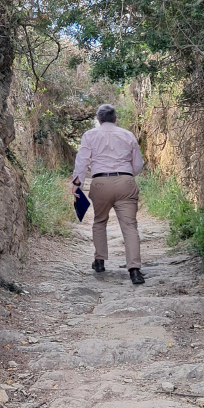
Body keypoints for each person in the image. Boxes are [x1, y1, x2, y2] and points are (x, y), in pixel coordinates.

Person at [71, 104, 146, 285]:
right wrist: (126, 175)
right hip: (125, 182)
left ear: (98, 119)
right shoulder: (128, 135)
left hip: (100, 182)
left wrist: (76, 184)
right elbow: (137, 164)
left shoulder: (90, 135)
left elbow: (82, 161)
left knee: (99, 221)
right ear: (115, 118)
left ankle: (99, 261)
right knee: (130, 226)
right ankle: (135, 271)